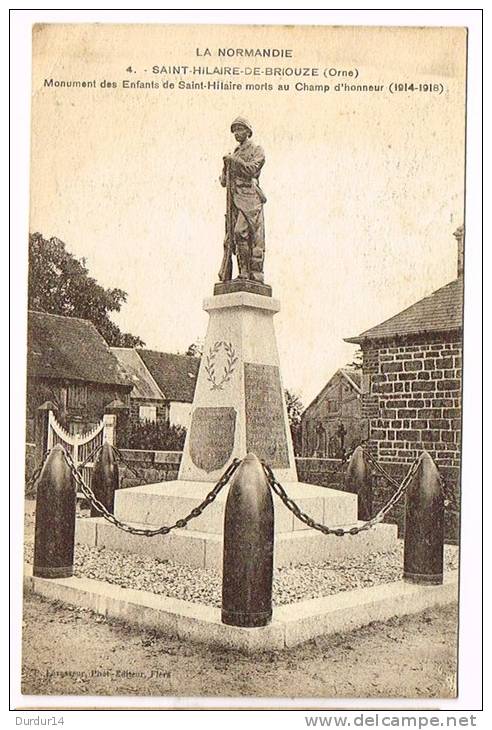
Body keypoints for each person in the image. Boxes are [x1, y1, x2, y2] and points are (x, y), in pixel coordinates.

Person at [219, 117, 266, 282]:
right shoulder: (235, 153)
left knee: (241, 232)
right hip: (234, 201)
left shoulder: (257, 150)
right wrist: (226, 167)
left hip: (250, 200)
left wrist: (235, 161)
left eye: (240, 129)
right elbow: (224, 182)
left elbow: (252, 169)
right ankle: (242, 273)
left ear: (248, 131)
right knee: (236, 237)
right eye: (235, 130)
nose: (237, 133)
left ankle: (248, 273)